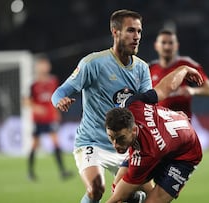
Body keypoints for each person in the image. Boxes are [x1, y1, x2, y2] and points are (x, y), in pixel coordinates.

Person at [51, 9, 152, 203]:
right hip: (92, 142)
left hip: (126, 145)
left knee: (146, 195)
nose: (137, 37)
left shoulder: (141, 68)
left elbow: (146, 107)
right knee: (96, 189)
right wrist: (59, 101)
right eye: (131, 31)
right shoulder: (93, 63)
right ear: (115, 32)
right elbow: (60, 92)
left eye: (139, 31)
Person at [105, 65, 203, 203]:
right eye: (111, 138)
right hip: (167, 137)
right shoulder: (132, 103)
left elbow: (116, 199)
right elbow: (164, 88)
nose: (115, 145)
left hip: (184, 154)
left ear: (133, 130)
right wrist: (183, 70)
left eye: (120, 139)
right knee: (119, 188)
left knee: (128, 196)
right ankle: (140, 197)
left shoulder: (148, 152)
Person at [149, 29, 209, 118]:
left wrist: (193, 90)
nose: (167, 47)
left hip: (181, 123)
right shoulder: (149, 68)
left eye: (171, 43)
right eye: (163, 43)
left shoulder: (187, 65)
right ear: (156, 46)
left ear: (177, 46)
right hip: (157, 123)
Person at [26, 56, 72, 181]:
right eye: (41, 65)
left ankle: (63, 171)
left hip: (50, 118)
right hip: (38, 120)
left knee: (56, 142)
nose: (43, 67)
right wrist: (36, 107)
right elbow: (26, 101)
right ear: (37, 67)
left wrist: (57, 112)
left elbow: (57, 97)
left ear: (48, 66)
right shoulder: (33, 84)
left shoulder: (53, 81)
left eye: (45, 64)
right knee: (35, 145)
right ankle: (30, 172)